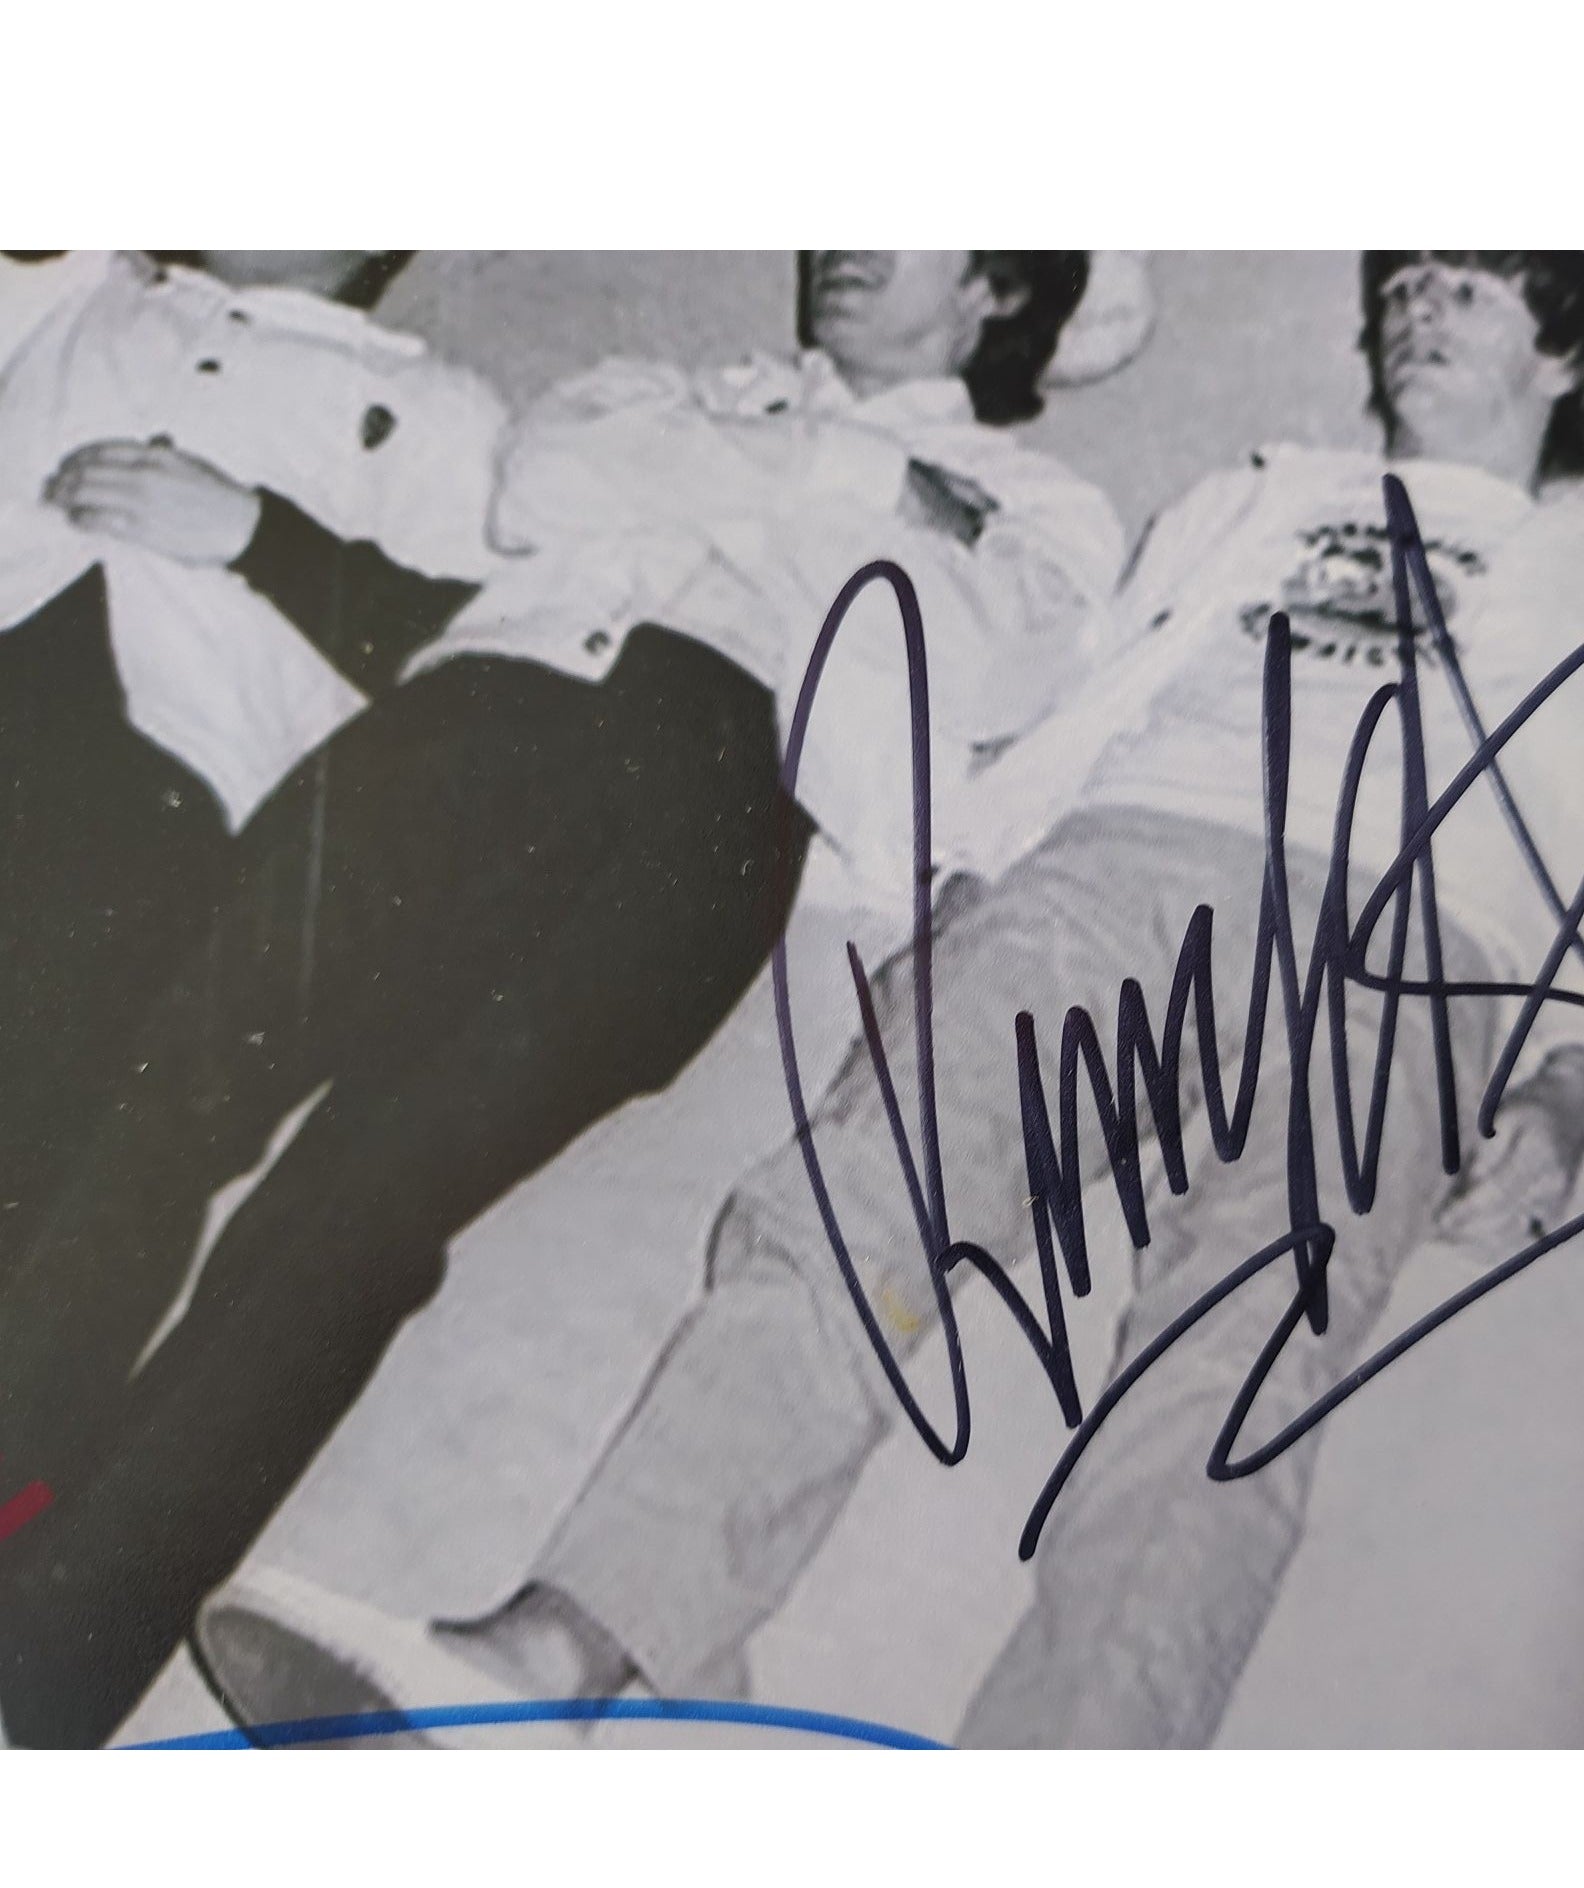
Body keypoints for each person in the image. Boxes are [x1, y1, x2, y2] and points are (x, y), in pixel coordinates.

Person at [194, 252, 1584, 1749]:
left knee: (1236, 1367)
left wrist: (1573, 1077)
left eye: (1472, 288)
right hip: (1131, 854)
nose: (1419, 308)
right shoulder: (1253, 496)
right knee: (859, 1198)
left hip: (1412, 932)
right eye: (1405, 285)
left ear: (1563, 357)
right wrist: (971, 880)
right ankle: (549, 1663)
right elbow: (1098, 694)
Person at [0, 250, 1122, 1747]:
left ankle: (48, 1667)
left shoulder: (1045, 508)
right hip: (462, 722)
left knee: (359, 1210)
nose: (841, 238)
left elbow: (985, 664)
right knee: (168, 1089)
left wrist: (738, 473)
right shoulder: (660, 386)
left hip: (704, 810)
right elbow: (545, 486)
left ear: (1000, 286)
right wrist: (861, 492)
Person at [0, 249, 506, 1273]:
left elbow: (476, 669)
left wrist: (254, 534)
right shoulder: (82, 288)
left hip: (159, 783)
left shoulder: (438, 406)